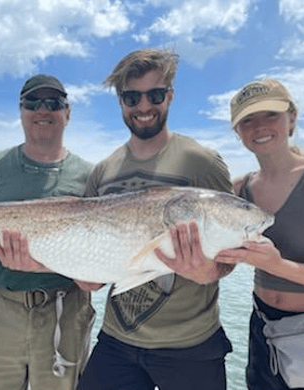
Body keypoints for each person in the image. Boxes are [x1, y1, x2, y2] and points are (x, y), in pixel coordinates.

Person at [77, 48, 234, 390]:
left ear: (170, 96)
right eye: (132, 97)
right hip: (117, 340)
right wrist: (83, 277)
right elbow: (92, 266)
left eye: (155, 94)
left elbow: (229, 250)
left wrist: (210, 272)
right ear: (120, 102)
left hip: (191, 345)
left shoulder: (203, 162)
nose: (144, 106)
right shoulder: (102, 172)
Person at [0, 74, 97, 390]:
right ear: (20, 110)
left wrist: (41, 264)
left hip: (66, 313)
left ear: (68, 112)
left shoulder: (92, 177)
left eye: (53, 102)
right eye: (32, 102)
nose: (42, 109)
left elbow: (93, 273)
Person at [215, 78, 304, 389]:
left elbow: (271, 264)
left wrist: (276, 265)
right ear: (237, 132)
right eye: (247, 120)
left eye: (270, 115)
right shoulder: (239, 190)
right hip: (261, 327)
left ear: (292, 116)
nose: (259, 127)